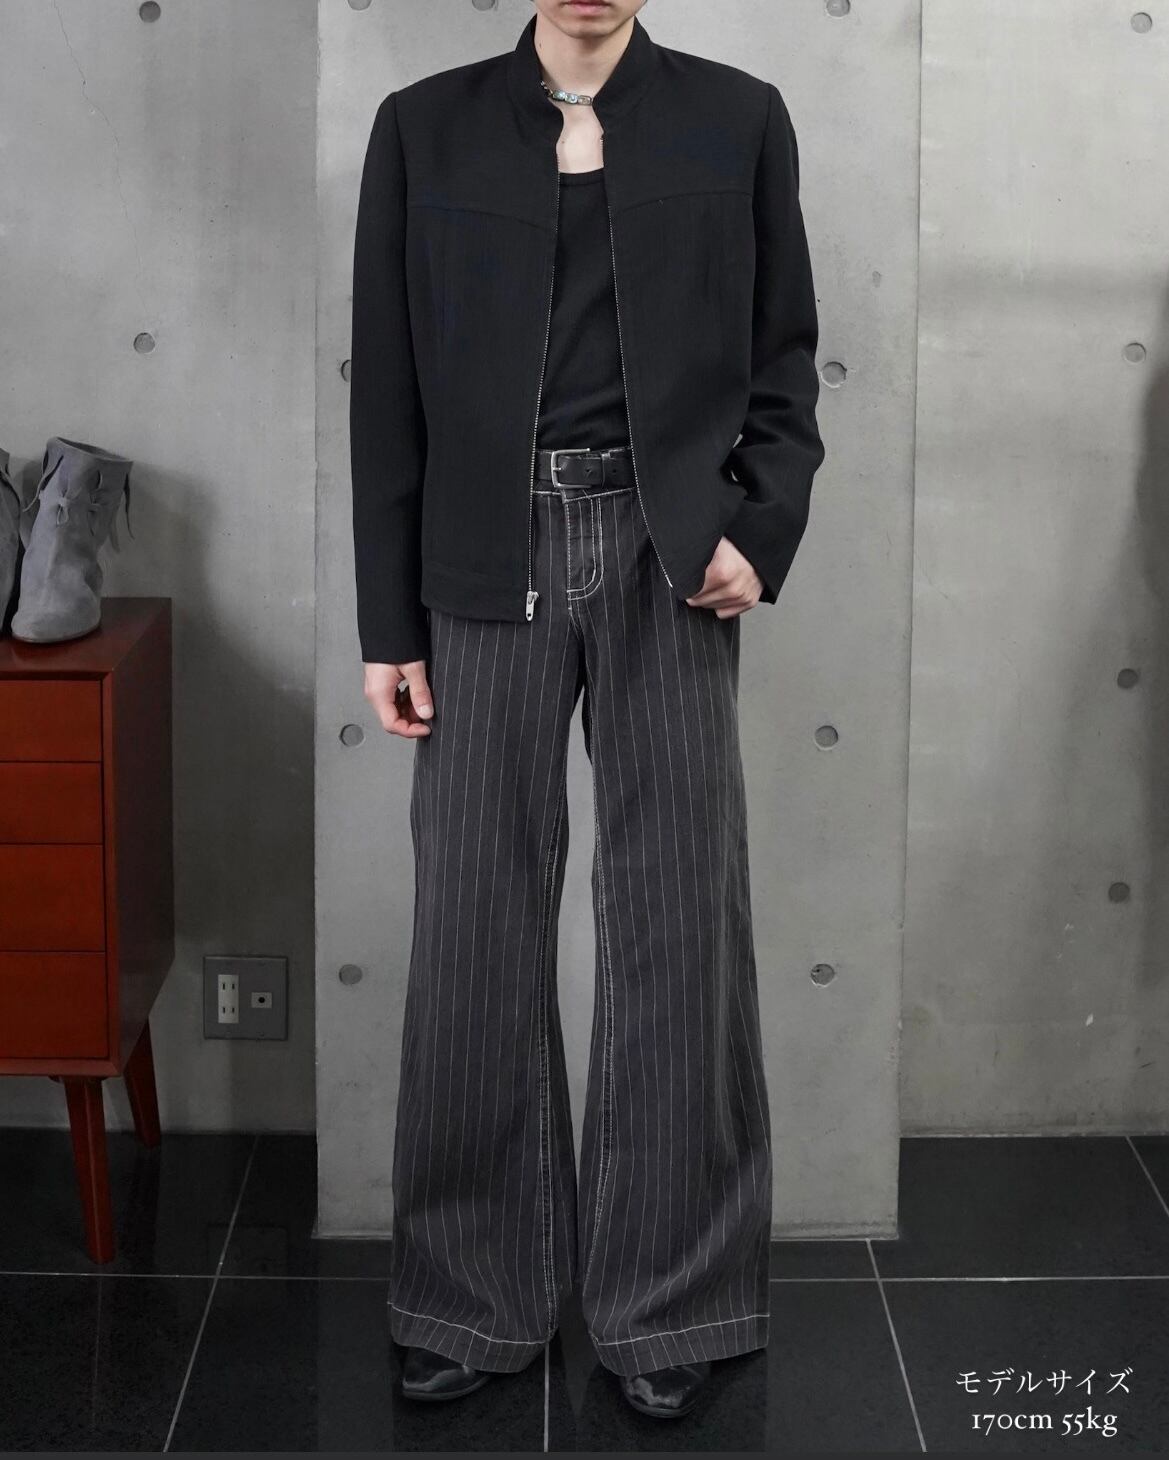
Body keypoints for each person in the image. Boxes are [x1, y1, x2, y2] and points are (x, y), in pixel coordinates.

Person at [349, 0, 825, 1421]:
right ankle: (468, 1294)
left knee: (678, 919)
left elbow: (783, 356)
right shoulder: (423, 128)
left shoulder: (735, 118)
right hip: (479, 557)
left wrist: (761, 526)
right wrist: (388, 624)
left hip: (667, 558)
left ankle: (673, 1303)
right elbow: (388, 388)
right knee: (475, 927)